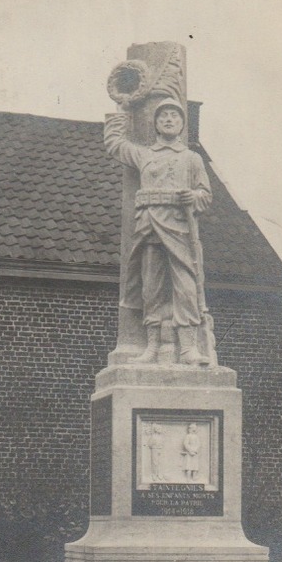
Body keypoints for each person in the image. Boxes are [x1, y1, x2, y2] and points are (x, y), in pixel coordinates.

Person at [104, 98, 212, 365]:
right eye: (163, 116)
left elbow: (205, 195)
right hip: (149, 227)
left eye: (174, 116)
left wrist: (194, 196)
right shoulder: (145, 154)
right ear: (155, 123)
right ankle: (151, 346)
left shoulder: (191, 158)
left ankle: (188, 348)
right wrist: (121, 111)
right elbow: (115, 145)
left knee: (185, 287)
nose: (168, 120)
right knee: (151, 287)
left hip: (179, 229)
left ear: (182, 124)